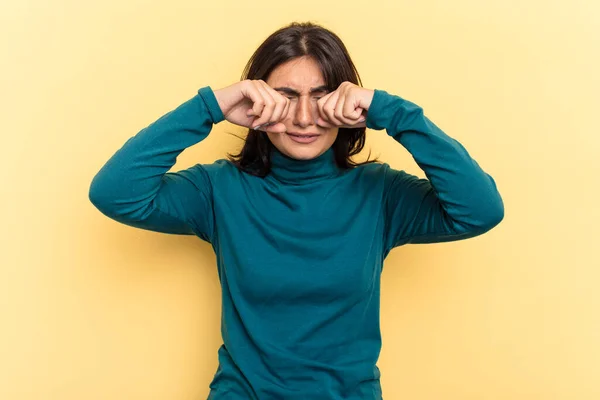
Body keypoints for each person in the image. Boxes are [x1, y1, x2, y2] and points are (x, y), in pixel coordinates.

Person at [89, 21, 504, 400]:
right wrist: (210, 107)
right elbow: (115, 192)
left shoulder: (381, 193)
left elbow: (479, 210)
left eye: (321, 97)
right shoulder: (219, 190)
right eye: (287, 97)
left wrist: (391, 111)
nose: (305, 118)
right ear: (257, 99)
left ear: (347, 101)